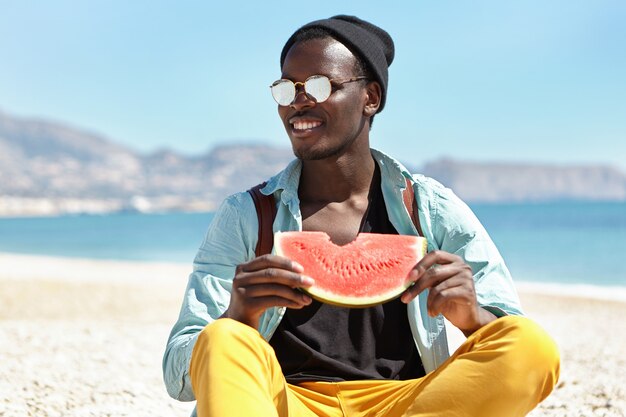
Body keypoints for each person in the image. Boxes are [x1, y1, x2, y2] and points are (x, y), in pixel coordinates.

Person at [163, 15, 560, 417]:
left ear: (371, 97)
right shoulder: (248, 213)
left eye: (320, 85)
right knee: (225, 338)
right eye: (287, 88)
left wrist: (473, 318)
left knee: (531, 344)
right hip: (281, 403)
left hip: (407, 404)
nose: (299, 101)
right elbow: (177, 376)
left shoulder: (429, 208)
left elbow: (506, 334)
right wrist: (238, 316)